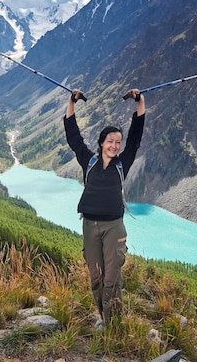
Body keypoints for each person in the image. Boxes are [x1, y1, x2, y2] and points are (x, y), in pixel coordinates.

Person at [63, 88, 145, 327]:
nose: (115, 146)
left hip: (114, 228)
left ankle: (112, 324)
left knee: (111, 278)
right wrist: (71, 102)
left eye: (118, 142)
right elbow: (73, 136)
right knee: (97, 278)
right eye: (110, 141)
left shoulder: (123, 162)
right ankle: (106, 318)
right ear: (101, 143)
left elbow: (136, 137)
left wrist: (140, 102)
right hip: (90, 226)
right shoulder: (88, 160)